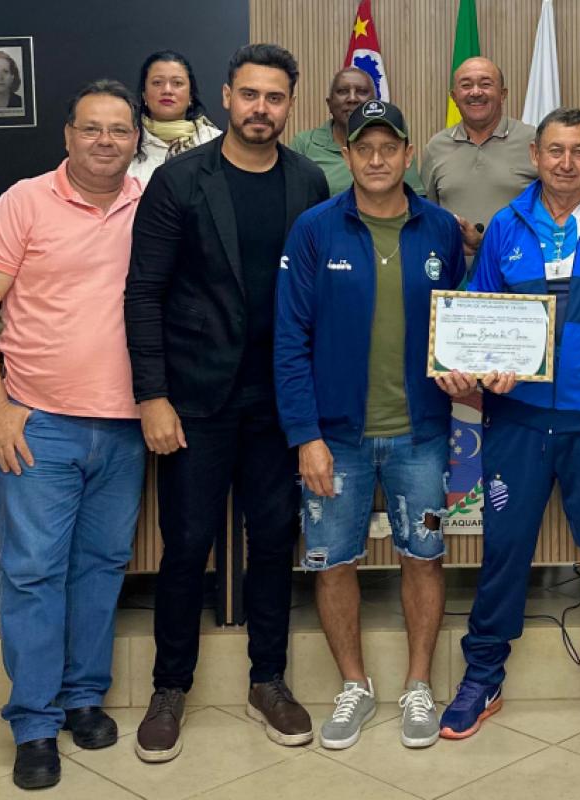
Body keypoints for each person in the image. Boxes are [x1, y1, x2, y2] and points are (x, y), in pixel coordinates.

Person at [124, 43, 329, 763]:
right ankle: (169, 687)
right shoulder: (179, 181)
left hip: (279, 402)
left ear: (289, 104)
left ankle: (267, 680)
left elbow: (317, 301)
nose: (261, 110)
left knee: (275, 541)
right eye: (249, 95)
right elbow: (143, 294)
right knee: (186, 545)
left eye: (275, 98)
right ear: (227, 95)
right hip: (196, 400)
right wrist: (152, 394)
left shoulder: (307, 183)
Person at [0, 80, 144, 790]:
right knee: (32, 573)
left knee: (100, 567)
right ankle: (33, 721)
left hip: (124, 428)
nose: (104, 141)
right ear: (67, 135)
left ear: (136, 139)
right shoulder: (24, 202)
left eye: (118, 130)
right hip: (40, 425)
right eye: (91, 128)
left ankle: (83, 697)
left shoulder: (149, 206)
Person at [436, 107, 580, 745]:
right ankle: (482, 675)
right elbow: (480, 312)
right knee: (504, 550)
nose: (567, 163)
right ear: (537, 153)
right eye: (555, 150)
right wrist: (473, 366)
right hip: (519, 420)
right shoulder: (507, 225)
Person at [274, 99, 465, 750]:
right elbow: (289, 339)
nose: (378, 159)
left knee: (426, 556)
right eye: (365, 148)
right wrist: (305, 436)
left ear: (410, 154)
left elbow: (464, 323)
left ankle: (417, 685)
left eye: (390, 147)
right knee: (332, 563)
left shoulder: (440, 229)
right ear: (347, 155)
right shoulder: (314, 229)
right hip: (336, 438)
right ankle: (353, 685)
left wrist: (471, 365)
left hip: (423, 434)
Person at [421, 56, 537, 254]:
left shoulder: (533, 141)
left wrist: (482, 243)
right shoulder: (436, 147)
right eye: (466, 85)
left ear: (503, 94)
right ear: (454, 96)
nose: (476, 92)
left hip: (519, 275)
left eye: (485, 84)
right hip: (455, 278)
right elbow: (427, 216)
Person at [288, 66, 424, 196]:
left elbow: (413, 199)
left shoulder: (393, 139)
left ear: (374, 102)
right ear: (329, 103)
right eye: (342, 91)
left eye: (362, 91)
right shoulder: (304, 144)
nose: (352, 98)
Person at [127, 50, 222, 184]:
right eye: (157, 83)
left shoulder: (217, 143)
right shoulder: (128, 143)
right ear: (144, 94)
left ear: (190, 96)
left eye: (177, 83)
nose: (167, 90)